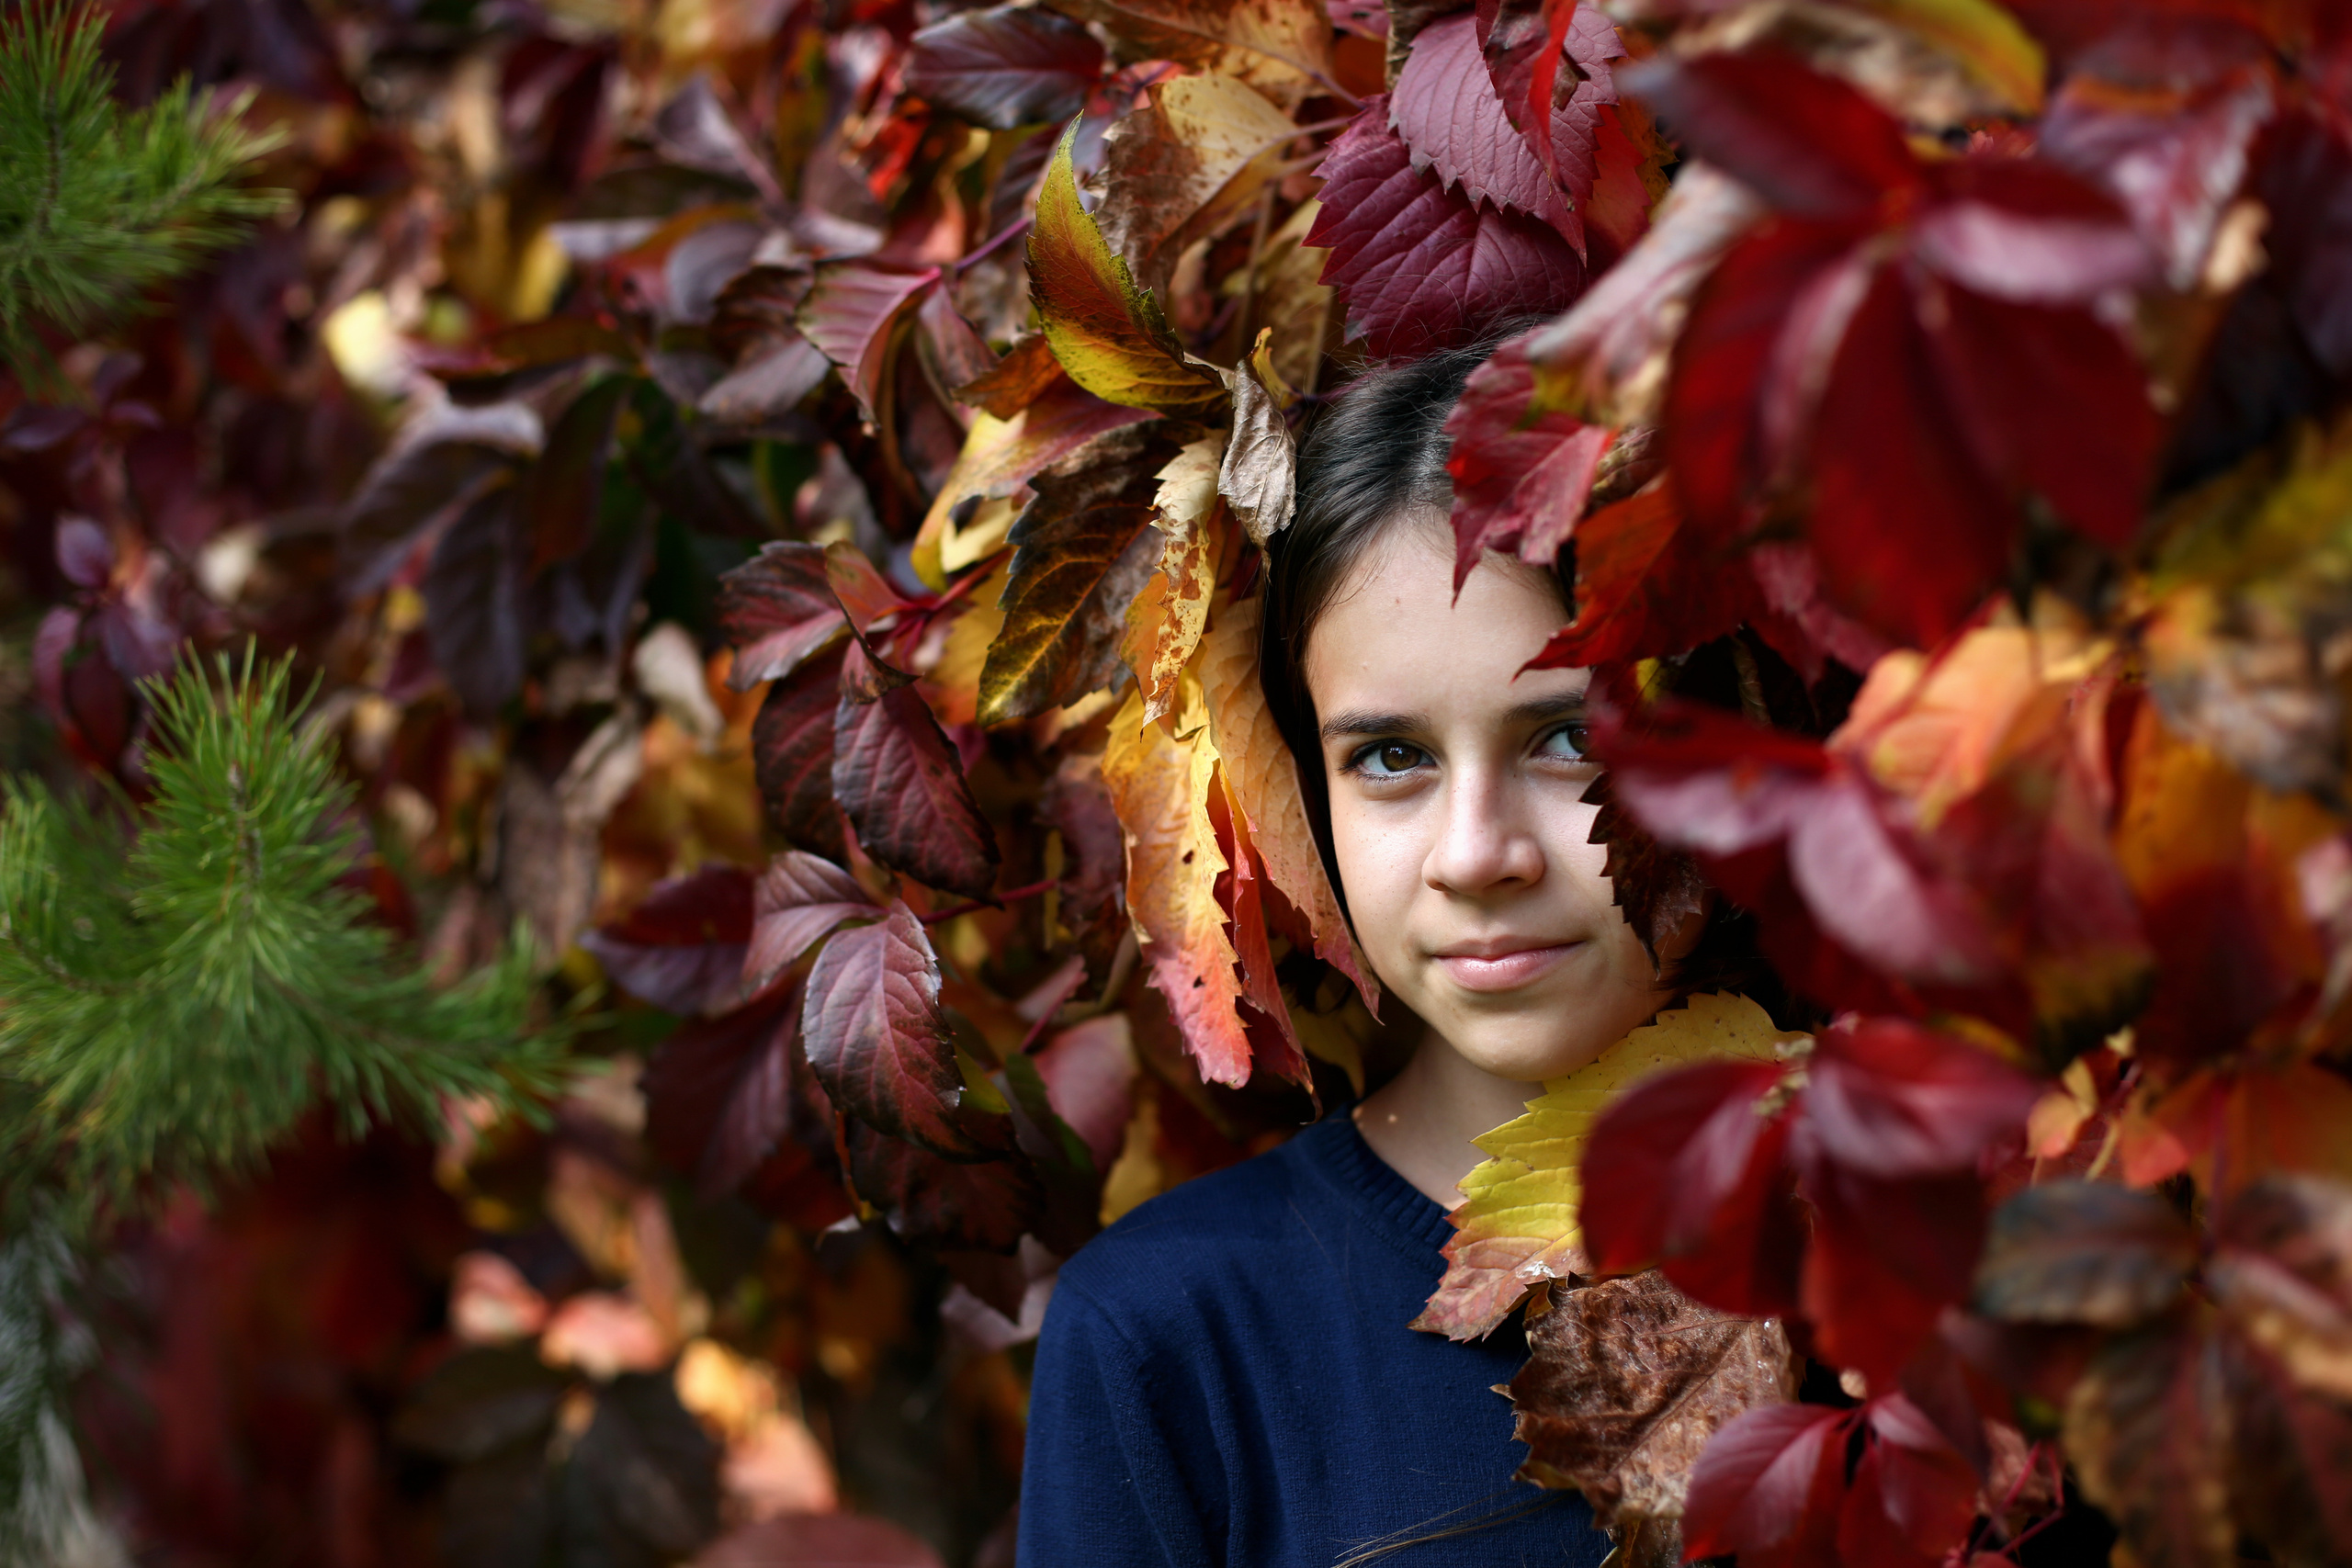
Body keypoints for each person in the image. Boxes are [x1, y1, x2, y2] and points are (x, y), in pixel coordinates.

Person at [1016, 341, 1726, 1568]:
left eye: (1567, 735)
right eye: (1390, 759)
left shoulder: (1935, 1241)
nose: (1476, 854)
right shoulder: (1170, 1343)